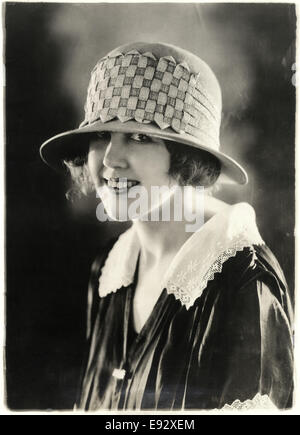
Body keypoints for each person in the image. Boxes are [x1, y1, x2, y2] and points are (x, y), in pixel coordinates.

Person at [40, 42, 293, 411]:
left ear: (188, 158)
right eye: (101, 135)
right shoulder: (110, 271)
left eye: (140, 136)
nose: (110, 159)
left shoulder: (244, 280)